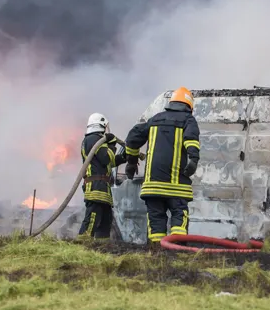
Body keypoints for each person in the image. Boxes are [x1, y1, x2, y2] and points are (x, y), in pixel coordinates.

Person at [124, 87, 200, 248]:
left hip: (153, 186)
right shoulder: (188, 120)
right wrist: (193, 160)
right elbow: (191, 139)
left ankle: (157, 254)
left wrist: (131, 162)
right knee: (179, 217)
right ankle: (177, 251)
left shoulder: (154, 120)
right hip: (176, 186)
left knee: (156, 220)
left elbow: (132, 138)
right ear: (189, 106)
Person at [77, 113, 127, 239]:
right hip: (96, 188)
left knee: (105, 222)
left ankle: (100, 249)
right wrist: (112, 145)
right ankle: (82, 246)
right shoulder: (93, 139)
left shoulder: (94, 140)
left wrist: (124, 158)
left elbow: (109, 162)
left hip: (103, 188)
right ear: (102, 125)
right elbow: (106, 158)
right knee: (92, 219)